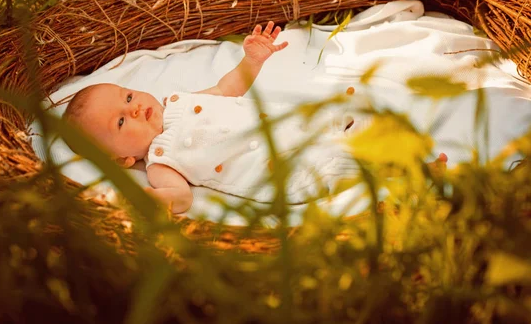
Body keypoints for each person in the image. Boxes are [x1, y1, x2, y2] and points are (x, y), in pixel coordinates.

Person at [64, 21, 446, 213]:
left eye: (127, 96)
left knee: (353, 124)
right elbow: (179, 198)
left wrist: (251, 61)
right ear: (122, 159)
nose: (132, 107)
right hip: (284, 168)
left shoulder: (179, 101)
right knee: (343, 164)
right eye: (120, 122)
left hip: (294, 128)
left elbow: (230, 87)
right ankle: (415, 177)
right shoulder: (161, 161)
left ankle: (405, 150)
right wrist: (152, 203)